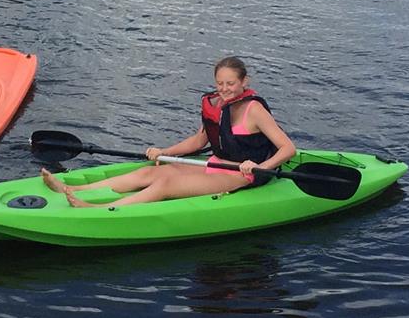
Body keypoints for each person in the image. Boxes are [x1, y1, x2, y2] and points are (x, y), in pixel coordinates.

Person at [41, 56, 296, 207]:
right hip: (217, 163)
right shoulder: (217, 104)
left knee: (166, 183)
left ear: (244, 82)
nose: (225, 88)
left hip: (244, 174)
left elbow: (288, 149)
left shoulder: (254, 110)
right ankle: (73, 190)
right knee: (152, 171)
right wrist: (164, 152)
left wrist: (260, 166)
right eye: (220, 83)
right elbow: (200, 139)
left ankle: (98, 208)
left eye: (231, 83)